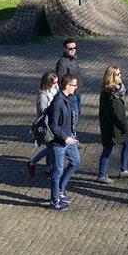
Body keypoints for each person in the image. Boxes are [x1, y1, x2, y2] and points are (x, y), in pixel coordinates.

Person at [45, 74, 82, 210]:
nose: (76, 87)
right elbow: (54, 125)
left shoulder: (67, 99)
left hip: (69, 138)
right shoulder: (58, 101)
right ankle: (54, 202)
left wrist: (72, 135)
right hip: (59, 141)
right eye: (74, 85)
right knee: (58, 171)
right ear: (67, 86)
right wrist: (65, 137)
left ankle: (60, 189)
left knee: (75, 162)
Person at [97, 65, 128, 180]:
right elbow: (111, 114)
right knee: (108, 148)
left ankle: (123, 169)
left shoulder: (117, 89)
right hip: (111, 126)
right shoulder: (107, 93)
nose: (120, 76)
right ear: (112, 76)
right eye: (118, 74)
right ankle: (101, 174)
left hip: (120, 123)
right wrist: (120, 125)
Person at [24, 71, 60, 180]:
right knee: (51, 148)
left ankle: (48, 168)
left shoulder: (55, 89)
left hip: (55, 123)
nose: (56, 84)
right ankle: (33, 162)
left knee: (50, 148)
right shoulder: (43, 96)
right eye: (54, 83)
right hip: (48, 126)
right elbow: (44, 112)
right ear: (48, 83)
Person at [53, 38, 83, 119]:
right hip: (71, 95)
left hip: (77, 92)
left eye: (74, 48)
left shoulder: (74, 59)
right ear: (65, 49)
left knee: (77, 113)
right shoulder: (62, 63)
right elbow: (61, 82)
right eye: (70, 49)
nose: (73, 50)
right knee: (73, 116)